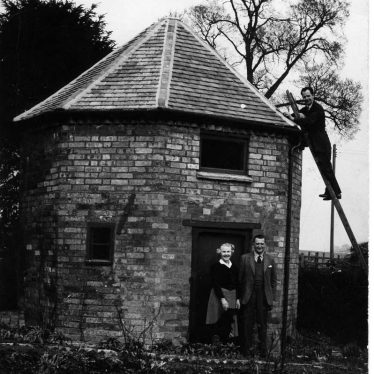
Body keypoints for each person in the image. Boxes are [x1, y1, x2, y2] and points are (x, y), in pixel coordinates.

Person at [284, 86, 342, 201]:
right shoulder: (307, 108)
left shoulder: (317, 109)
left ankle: (337, 192)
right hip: (315, 143)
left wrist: (294, 118)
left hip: (322, 143)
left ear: (313, 96)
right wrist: (288, 115)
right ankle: (329, 191)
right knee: (323, 168)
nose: (306, 99)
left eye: (308, 96)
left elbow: (308, 121)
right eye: (304, 97)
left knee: (326, 168)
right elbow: (298, 114)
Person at [238, 234, 277, 357]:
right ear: (253, 244)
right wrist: (239, 298)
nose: (259, 246)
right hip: (248, 296)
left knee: (262, 325)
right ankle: (246, 352)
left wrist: (272, 298)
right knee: (247, 324)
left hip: (263, 297)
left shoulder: (270, 260)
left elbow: (274, 281)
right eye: (257, 243)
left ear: (264, 245)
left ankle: (263, 352)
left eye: (262, 244)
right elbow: (240, 280)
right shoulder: (245, 258)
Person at [206, 243, 240, 343]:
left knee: (230, 321)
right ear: (220, 252)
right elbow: (215, 283)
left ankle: (227, 345)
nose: (226, 254)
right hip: (219, 296)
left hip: (232, 296)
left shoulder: (235, 267)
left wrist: (237, 299)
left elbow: (238, 284)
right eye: (224, 251)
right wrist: (222, 299)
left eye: (228, 251)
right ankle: (216, 346)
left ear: (232, 252)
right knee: (218, 319)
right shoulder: (215, 266)